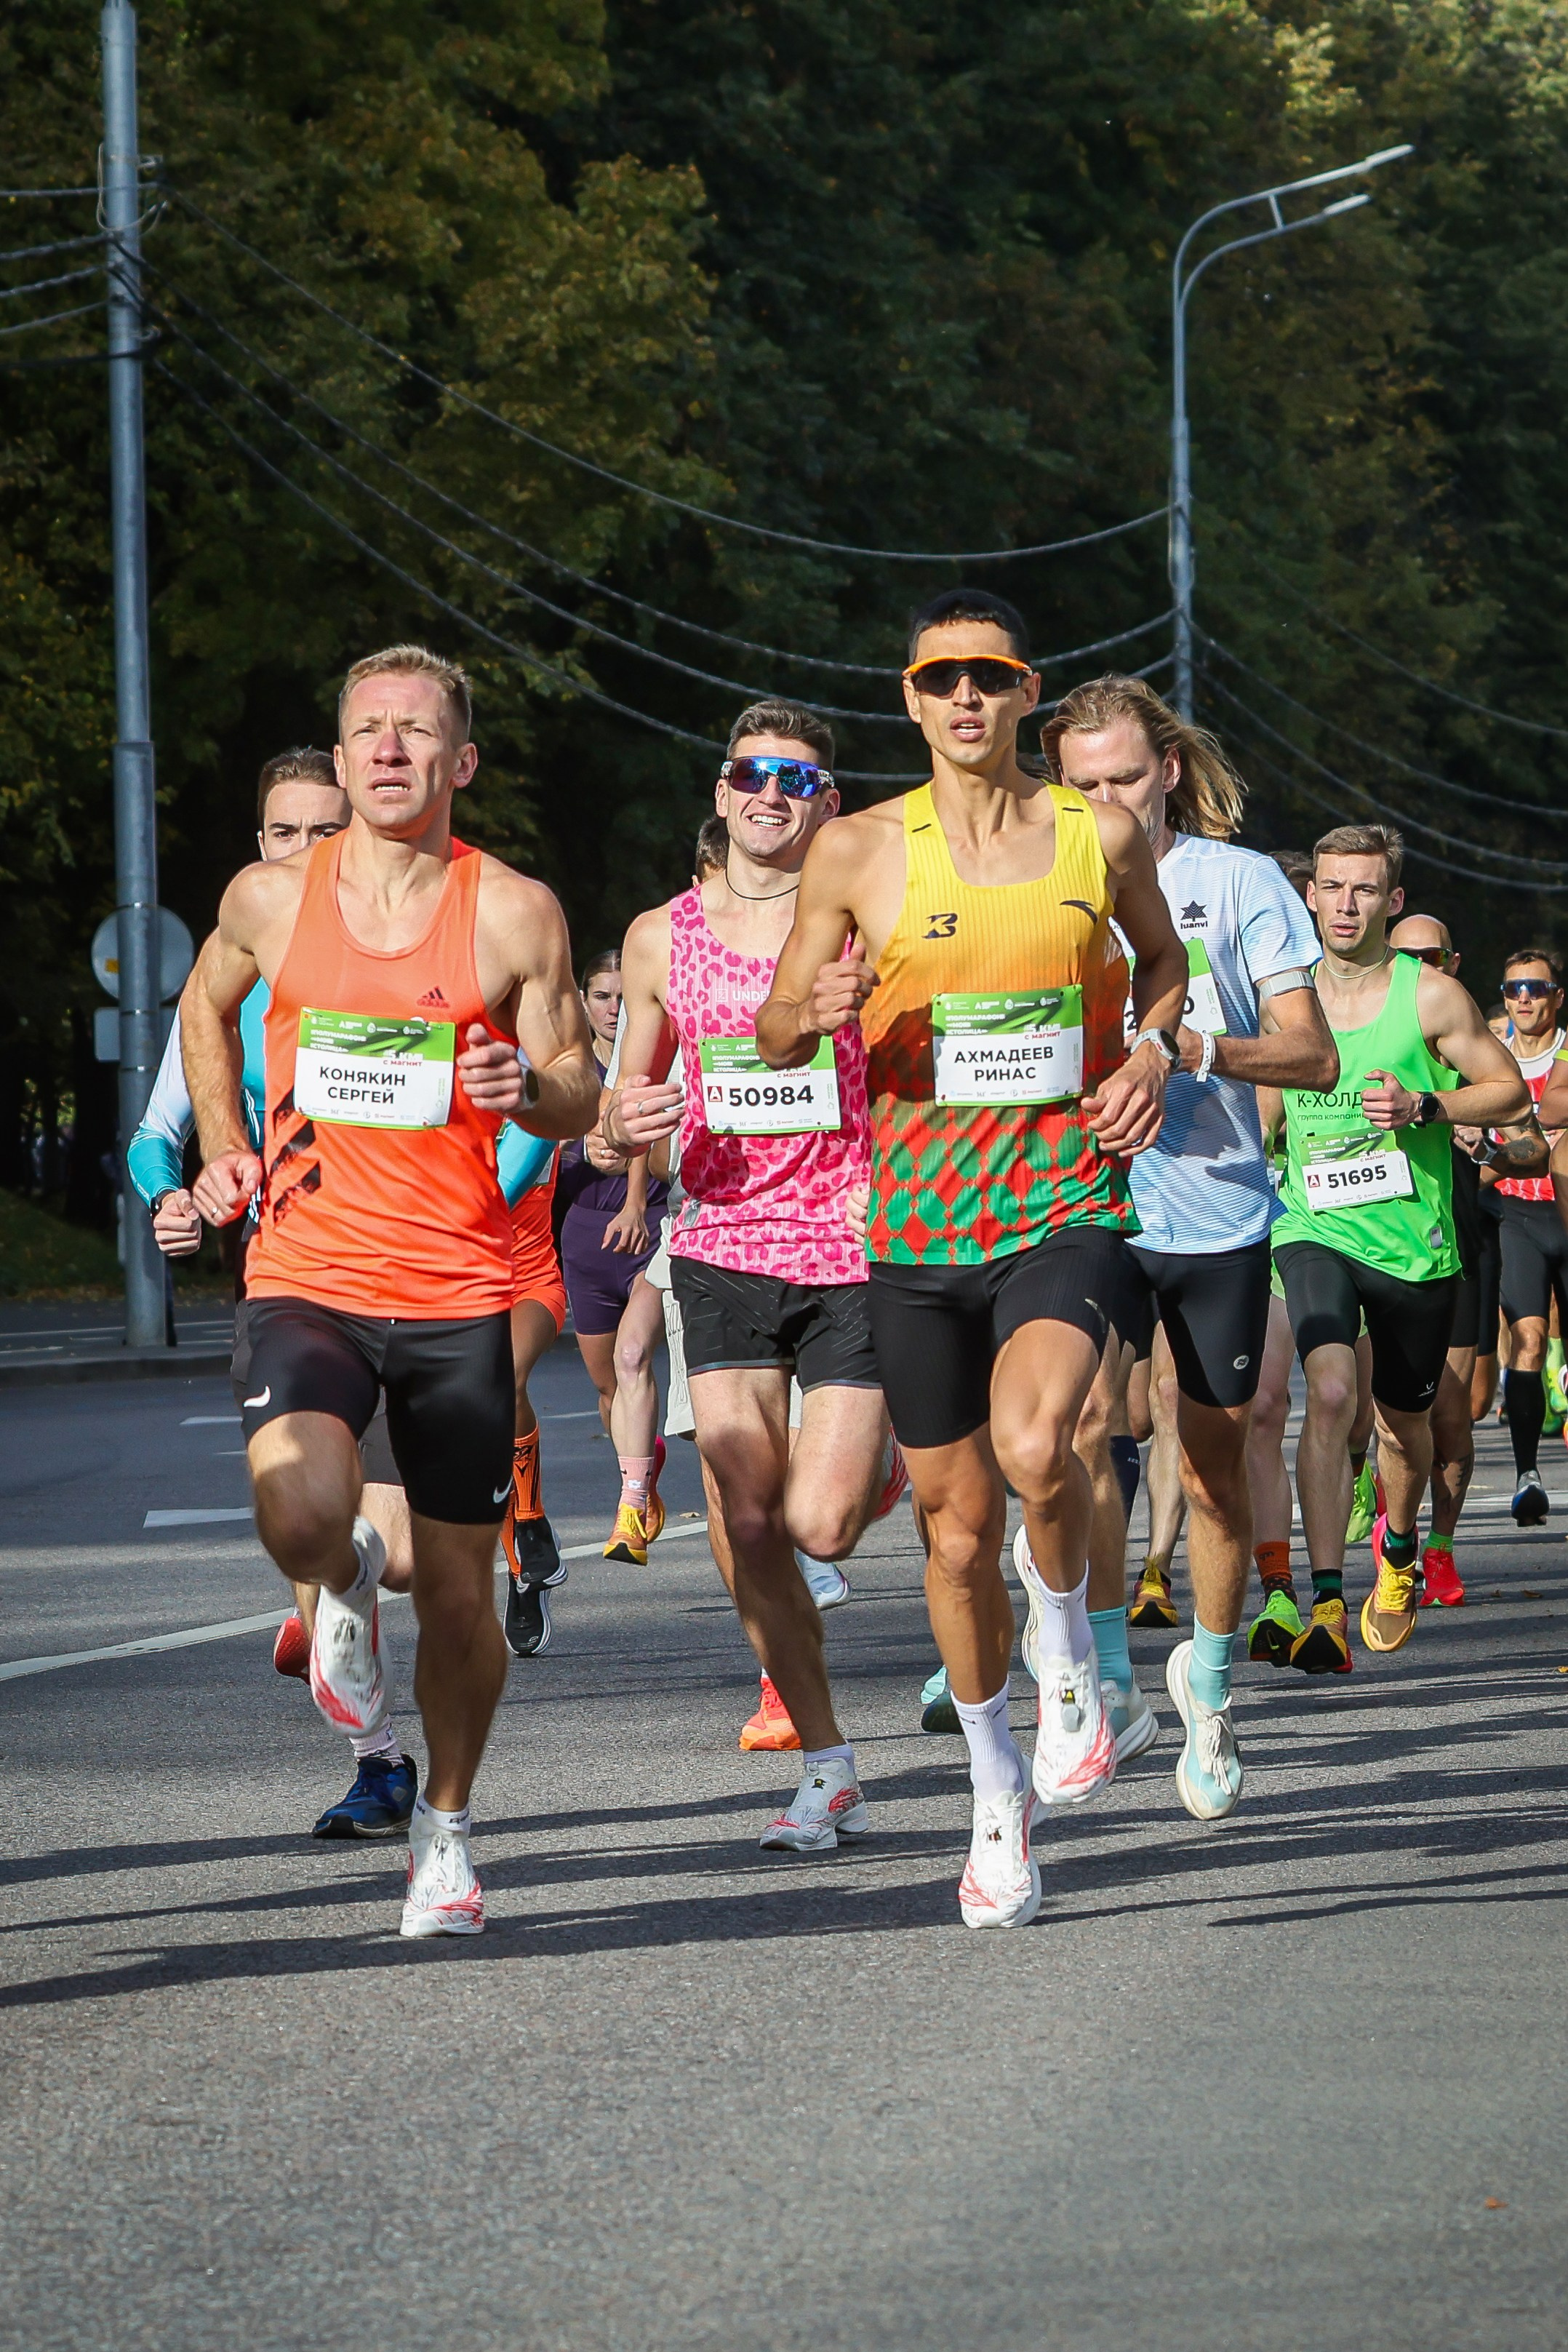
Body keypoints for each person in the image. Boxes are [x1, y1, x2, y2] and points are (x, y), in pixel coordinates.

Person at [753, 590, 1188, 1930]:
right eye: (940, 677)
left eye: (988, 677)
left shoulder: (1098, 834)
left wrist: (1152, 1051)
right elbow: (774, 1028)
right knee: (952, 1536)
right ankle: (998, 1799)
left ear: (1025, 692)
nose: (964, 698)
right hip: (917, 1230)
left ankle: (1067, 1648)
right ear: (910, 695)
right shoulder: (857, 849)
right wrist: (812, 1006)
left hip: (1063, 1204)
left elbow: (1164, 965)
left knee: (1038, 1440)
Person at [183, 643, 599, 1936]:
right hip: (306, 1269)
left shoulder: (512, 911)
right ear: (342, 751)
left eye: (416, 731)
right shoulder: (271, 897)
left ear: (458, 760)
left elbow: (578, 1084)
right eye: (368, 727)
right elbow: (204, 1009)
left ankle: (447, 1830)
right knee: (299, 1510)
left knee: (463, 1594)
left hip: (457, 1285)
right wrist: (223, 1143)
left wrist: (525, 1088)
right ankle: (344, 1575)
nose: (388, 748)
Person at [605, 698, 903, 1856]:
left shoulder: (870, 921)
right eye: (750, 774)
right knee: (749, 1516)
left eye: (796, 778)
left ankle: (881, 1461)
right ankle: (828, 1765)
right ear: (721, 792)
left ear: (829, 803)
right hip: (721, 1243)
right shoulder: (658, 936)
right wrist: (622, 1129)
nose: (770, 794)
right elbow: (621, 1104)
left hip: (850, 1243)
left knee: (821, 1524)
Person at [1045, 674, 1336, 1819]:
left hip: (1217, 1215)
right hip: (1084, 1204)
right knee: (1077, 1426)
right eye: (1083, 784)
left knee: (1212, 1469)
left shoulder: (1241, 881)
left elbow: (1313, 1056)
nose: (1107, 802)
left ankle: (1207, 1688)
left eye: (1125, 777)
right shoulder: (1036, 881)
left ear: (1167, 771)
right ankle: (1110, 1673)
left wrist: (1191, 1049)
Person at [129, 749, 433, 1841]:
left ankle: (347, 1581)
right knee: (308, 1510)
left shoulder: (418, 936)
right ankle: (376, 1761)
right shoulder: (237, 969)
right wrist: (179, 1193)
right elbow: (157, 1133)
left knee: (399, 1555)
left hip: (422, 1278)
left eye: (323, 829)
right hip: (293, 1281)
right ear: (258, 845)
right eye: (282, 832)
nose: (303, 850)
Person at [1263, 825, 1528, 1673]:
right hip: (1311, 1226)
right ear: (1310, 895)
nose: (1345, 904)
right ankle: (1325, 1601)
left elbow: (1510, 1092)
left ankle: (1401, 1546)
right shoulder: (1282, 994)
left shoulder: (1431, 998)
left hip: (1412, 1246)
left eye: (1364, 889)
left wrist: (1425, 1106)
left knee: (1403, 1425)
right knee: (1329, 1388)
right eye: (1331, 887)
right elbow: (1260, 1109)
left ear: (1391, 900)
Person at [1388, 915, 1541, 1603]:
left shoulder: (1468, 1045)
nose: (1420, 965)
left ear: (1452, 961)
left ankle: (1441, 1547)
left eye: (1433, 955)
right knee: (1380, 1414)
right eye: (1407, 955)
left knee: (1461, 1412)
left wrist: (1488, 1152)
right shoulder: (1364, 1029)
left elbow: (1533, 1142)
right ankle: (1391, 1522)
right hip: (1371, 1248)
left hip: (1454, 1246)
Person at [554, 949, 671, 1563]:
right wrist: (580, 1141)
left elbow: (651, 1128)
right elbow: (534, 1133)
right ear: (583, 1000)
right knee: (609, 1388)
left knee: (633, 1358)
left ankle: (630, 1504)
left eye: (624, 997)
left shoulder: (653, 1055)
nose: (614, 1008)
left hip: (650, 1226)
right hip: (586, 1235)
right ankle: (643, 1462)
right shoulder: (569, 1066)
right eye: (602, 996)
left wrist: (635, 1200)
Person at [1481, 949, 1567, 1525]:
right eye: (1514, 989)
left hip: (1566, 1208)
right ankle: (1527, 1475)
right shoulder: (1491, 1058)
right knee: (1528, 1340)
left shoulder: (1566, 1054)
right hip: (1517, 1215)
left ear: (1557, 995)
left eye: (1536, 987)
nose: (1525, 998)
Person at [495, 1117, 572, 1656]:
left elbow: (601, 1111)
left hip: (532, 1282)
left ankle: (532, 1520)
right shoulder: (437, 1095)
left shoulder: (541, 1091)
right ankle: (522, 1572)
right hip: (460, 1288)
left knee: (504, 1378)